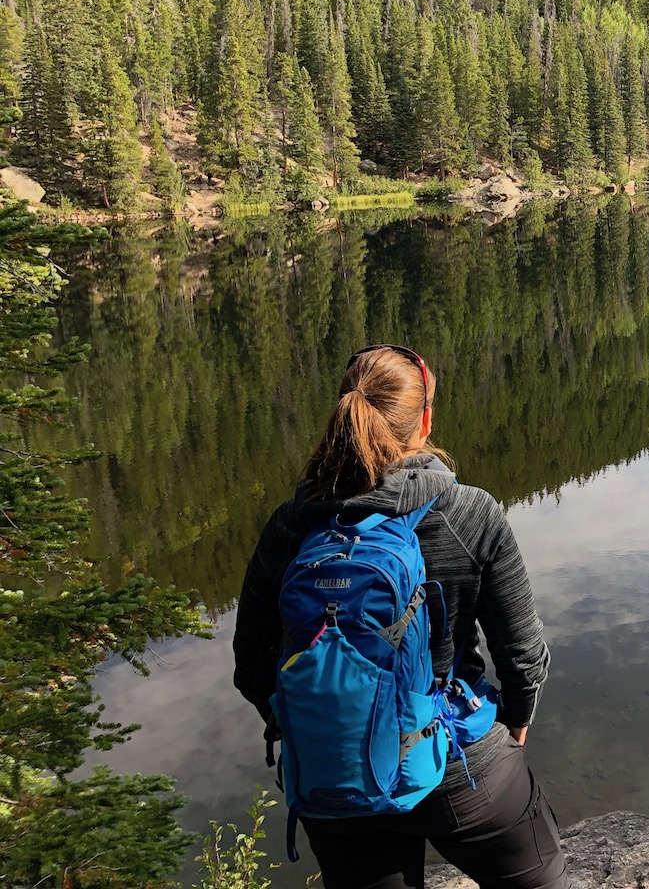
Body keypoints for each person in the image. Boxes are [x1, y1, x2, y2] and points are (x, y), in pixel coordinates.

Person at [233, 344, 569, 889]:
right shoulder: (470, 513)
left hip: (340, 780)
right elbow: (524, 660)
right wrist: (514, 728)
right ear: (426, 418)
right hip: (462, 757)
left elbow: (251, 671)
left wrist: (328, 727)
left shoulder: (292, 526)